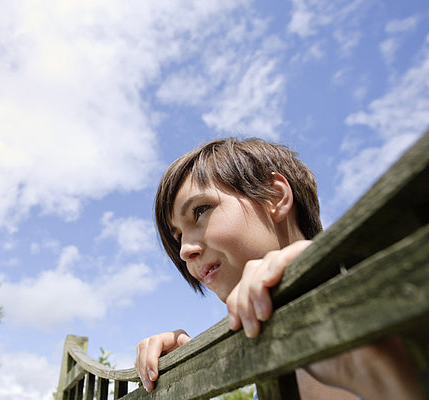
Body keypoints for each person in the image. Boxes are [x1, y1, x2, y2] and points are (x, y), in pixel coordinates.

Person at [134, 138, 422, 399]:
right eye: (178, 237)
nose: (185, 250)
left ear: (275, 196)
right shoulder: (266, 365)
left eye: (200, 210)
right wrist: (190, 369)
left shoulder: (395, 287)